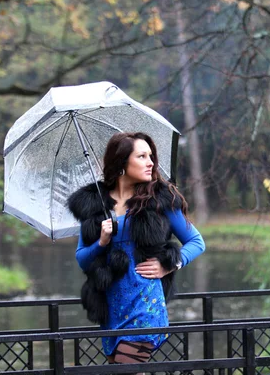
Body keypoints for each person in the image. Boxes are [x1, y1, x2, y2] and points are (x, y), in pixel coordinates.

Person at [67, 132, 205, 369]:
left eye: (150, 156)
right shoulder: (95, 205)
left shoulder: (160, 199)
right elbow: (82, 258)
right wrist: (101, 241)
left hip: (145, 306)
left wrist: (170, 263)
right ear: (122, 162)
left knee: (126, 369)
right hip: (111, 307)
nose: (150, 162)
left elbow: (196, 241)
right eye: (142, 156)